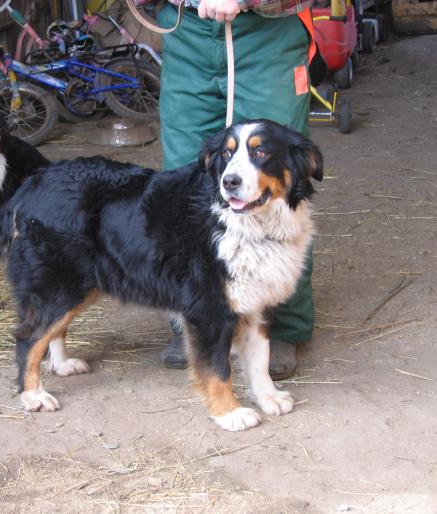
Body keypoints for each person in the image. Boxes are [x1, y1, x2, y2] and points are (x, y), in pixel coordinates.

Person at [157, 0, 316, 380]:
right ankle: (195, 318)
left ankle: (282, 326)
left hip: (266, 31)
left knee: (277, 176)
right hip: (186, 28)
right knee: (185, 175)